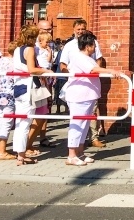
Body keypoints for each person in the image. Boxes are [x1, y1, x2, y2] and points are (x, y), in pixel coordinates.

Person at [64, 31, 123, 166]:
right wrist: (111, 71)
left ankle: (79, 152)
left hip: (87, 96)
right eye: (94, 45)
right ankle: (71, 155)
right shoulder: (79, 57)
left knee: (84, 126)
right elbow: (93, 70)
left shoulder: (88, 58)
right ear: (87, 46)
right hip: (79, 96)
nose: (95, 48)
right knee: (77, 124)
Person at [59, 19, 106, 147]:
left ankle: (93, 137)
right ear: (74, 30)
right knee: (78, 116)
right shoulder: (69, 45)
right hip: (77, 85)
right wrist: (69, 76)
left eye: (82, 29)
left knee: (92, 111)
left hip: (90, 84)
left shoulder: (92, 41)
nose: (80, 31)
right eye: (78, 29)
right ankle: (77, 143)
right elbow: (63, 63)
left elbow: (98, 59)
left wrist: (96, 73)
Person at [12, 24, 50, 165]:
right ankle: (21, 155)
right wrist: (46, 71)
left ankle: (19, 153)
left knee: (20, 122)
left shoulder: (17, 50)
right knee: (25, 123)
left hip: (19, 87)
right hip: (28, 88)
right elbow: (31, 69)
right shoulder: (30, 50)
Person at [25, 27, 56, 156]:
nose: (48, 43)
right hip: (39, 80)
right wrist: (45, 72)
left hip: (46, 79)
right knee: (37, 111)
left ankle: (39, 138)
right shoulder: (33, 49)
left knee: (45, 110)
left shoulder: (45, 48)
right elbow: (33, 67)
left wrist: (50, 53)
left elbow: (49, 62)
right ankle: (27, 144)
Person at [0, 41, 18, 161]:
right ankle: (2, 151)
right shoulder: (15, 63)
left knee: (0, 122)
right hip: (10, 95)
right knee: (7, 122)